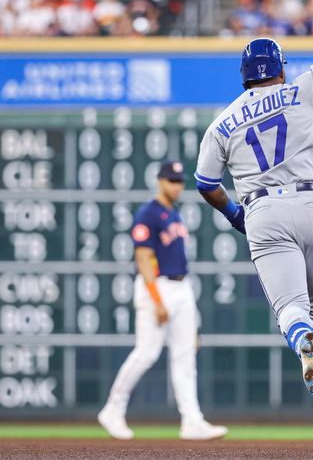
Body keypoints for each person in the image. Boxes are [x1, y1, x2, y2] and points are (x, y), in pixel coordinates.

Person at [194, 0, 313, 444]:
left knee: (292, 309)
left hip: (264, 209)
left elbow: (205, 183)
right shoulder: (302, 90)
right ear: (281, 68)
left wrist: (234, 215)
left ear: (245, 76)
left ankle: (301, 335)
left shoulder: (223, 122)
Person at [98, 160, 228, 441]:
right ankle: (113, 408)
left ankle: (192, 420)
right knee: (146, 353)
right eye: (172, 181)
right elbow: (143, 258)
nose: (177, 186)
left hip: (182, 287)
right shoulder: (148, 213)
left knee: (185, 356)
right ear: (159, 181)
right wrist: (157, 301)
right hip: (156, 286)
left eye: (180, 181)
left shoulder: (174, 214)